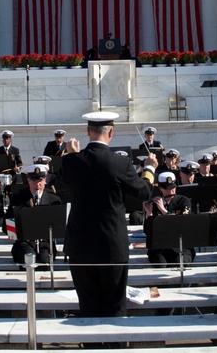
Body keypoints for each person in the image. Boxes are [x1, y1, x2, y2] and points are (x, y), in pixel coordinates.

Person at [63, 111, 157, 317]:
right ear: (111, 132)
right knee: (114, 305)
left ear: (88, 131)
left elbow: (63, 179)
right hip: (111, 245)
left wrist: (70, 154)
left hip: (80, 245)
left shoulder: (71, 162)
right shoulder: (120, 163)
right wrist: (149, 168)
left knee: (87, 305)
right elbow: (144, 191)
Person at [8, 163, 62, 268]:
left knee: (44, 262)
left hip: (45, 243)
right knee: (28, 259)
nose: (37, 184)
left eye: (40, 181)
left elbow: (59, 225)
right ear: (28, 180)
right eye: (34, 181)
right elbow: (8, 224)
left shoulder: (54, 200)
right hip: (25, 242)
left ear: (45, 180)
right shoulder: (18, 199)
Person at [142, 172, 194, 267]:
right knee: (160, 265)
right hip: (160, 247)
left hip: (181, 247)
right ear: (161, 188)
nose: (172, 191)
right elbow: (147, 231)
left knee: (179, 262)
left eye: (173, 187)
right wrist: (149, 214)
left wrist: (163, 210)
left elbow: (182, 224)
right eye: (168, 189)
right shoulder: (153, 204)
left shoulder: (184, 202)